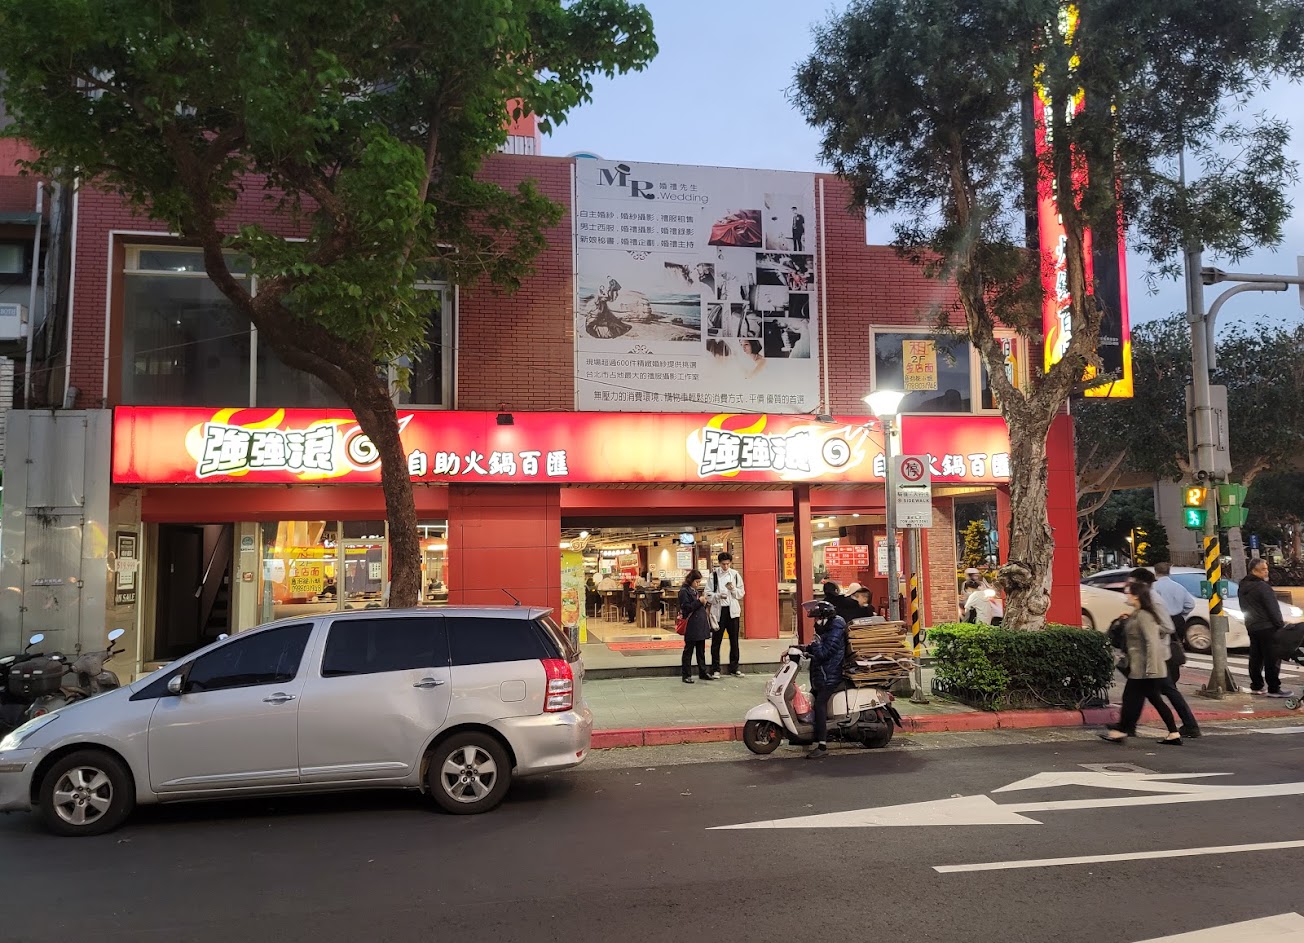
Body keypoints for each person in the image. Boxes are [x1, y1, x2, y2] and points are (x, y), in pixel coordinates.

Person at [1100, 581, 1183, 745]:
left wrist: (1151, 669)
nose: (1126, 596)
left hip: (1146, 668)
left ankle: (1122, 730)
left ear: (1137, 596)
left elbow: (1152, 642)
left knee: (1133, 698)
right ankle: (1172, 733)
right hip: (1140, 667)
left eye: (1128, 593)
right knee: (1148, 699)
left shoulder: (1145, 615)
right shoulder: (1138, 614)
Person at [1137, 564, 1202, 738]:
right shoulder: (1178, 587)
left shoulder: (1152, 594)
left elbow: (1164, 625)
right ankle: (1125, 726)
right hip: (1176, 621)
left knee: (1164, 688)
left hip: (1158, 647)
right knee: (1160, 687)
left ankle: (1185, 726)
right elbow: (1189, 604)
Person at [1240, 558, 1293, 698]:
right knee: (1272, 658)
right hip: (1268, 627)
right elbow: (1273, 609)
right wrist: (1280, 625)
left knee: (1256, 657)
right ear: (1254, 570)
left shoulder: (1243, 586)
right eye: (1263, 569)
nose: (1266, 571)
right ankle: (1274, 688)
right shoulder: (1262, 587)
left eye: (1266, 568)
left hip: (1252, 626)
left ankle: (1256, 685)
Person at [801, 599, 848, 759]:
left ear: (825, 617)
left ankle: (822, 745)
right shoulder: (827, 630)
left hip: (830, 675)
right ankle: (814, 734)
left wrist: (814, 644)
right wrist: (799, 648)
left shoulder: (836, 629)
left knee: (820, 704)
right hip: (823, 674)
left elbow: (824, 653)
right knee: (811, 699)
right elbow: (817, 648)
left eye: (817, 618)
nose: (815, 622)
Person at [707, 552, 746, 678]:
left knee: (734, 640)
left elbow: (741, 593)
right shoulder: (713, 576)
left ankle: (734, 668)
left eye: (728, 564)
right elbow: (707, 594)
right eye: (723, 564)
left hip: (732, 611)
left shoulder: (735, 575)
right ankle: (715, 669)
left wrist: (733, 589)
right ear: (719, 563)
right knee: (716, 641)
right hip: (719, 611)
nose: (725, 566)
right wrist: (717, 596)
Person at [679, 570, 715, 684]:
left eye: (699, 582)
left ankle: (703, 672)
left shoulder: (695, 591)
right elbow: (686, 608)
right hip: (691, 625)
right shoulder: (684, 591)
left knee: (701, 650)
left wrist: (705, 603)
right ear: (691, 580)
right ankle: (686, 674)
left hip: (700, 624)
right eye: (696, 582)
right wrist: (699, 602)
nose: (698, 584)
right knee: (688, 650)